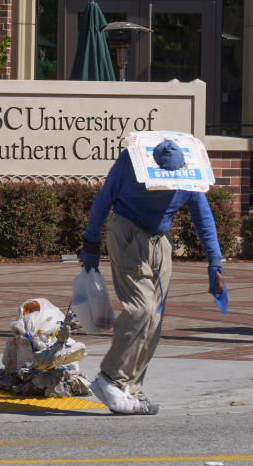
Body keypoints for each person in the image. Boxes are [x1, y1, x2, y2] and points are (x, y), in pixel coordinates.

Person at [80, 139, 225, 415]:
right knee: (142, 309)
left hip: (159, 242)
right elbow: (103, 200)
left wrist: (215, 263)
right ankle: (109, 378)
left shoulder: (187, 173)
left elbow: (202, 216)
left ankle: (130, 389)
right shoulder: (129, 162)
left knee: (155, 318)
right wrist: (90, 247)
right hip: (126, 232)